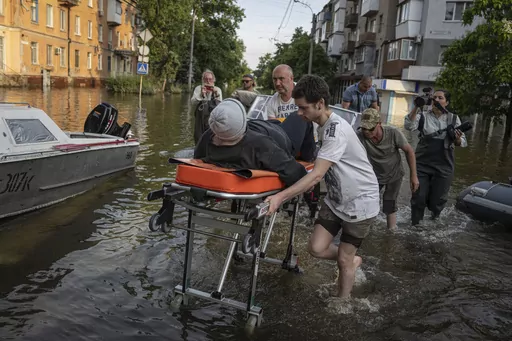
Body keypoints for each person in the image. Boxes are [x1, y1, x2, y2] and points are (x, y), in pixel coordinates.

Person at [265, 75, 380, 299]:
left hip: (360, 202)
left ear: (320, 103)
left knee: (343, 260)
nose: (299, 113)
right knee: (316, 248)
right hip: (337, 199)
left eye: (302, 108)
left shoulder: (335, 130)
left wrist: (280, 198)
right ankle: (351, 259)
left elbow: (317, 175)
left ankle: (343, 302)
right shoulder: (321, 124)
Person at [194, 98, 308, 187]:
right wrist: (310, 181)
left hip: (264, 127)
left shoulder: (207, 137)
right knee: (299, 115)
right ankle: (310, 156)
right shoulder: (260, 144)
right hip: (283, 136)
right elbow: (295, 173)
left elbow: (197, 159)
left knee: (274, 121)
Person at [404, 89, 467, 226]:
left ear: (447, 102)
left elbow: (463, 143)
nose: (436, 100)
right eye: (434, 98)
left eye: (440, 98)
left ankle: (434, 224)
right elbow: (409, 126)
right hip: (422, 164)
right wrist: (416, 106)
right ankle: (415, 227)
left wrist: (457, 139)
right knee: (418, 197)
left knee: (437, 201)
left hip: (444, 165)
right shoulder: (423, 116)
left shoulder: (454, 119)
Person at [357, 108, 419, 230]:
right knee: (366, 202)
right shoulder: (359, 136)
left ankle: (391, 232)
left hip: (394, 174)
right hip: (374, 175)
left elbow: (409, 151)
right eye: (364, 128)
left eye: (370, 129)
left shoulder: (393, 133)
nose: (367, 132)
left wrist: (413, 176)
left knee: (389, 203)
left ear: (379, 124)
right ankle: (366, 230)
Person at [190, 69, 223, 144]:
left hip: (212, 117)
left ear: (213, 80)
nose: (208, 81)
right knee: (198, 135)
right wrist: (201, 95)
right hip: (200, 116)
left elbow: (220, 106)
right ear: (203, 80)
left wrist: (216, 94)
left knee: (212, 134)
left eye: (210, 79)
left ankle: (211, 149)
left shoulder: (217, 89)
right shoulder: (198, 88)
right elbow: (193, 102)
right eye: (206, 79)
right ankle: (198, 149)